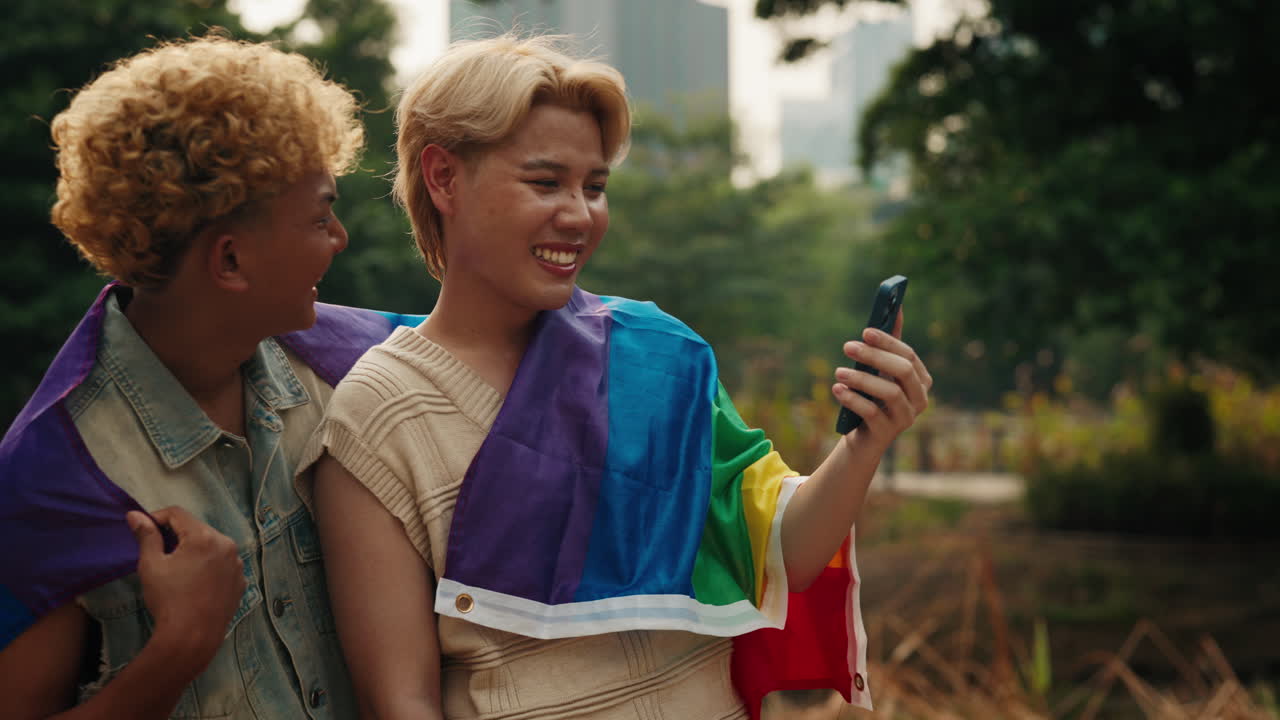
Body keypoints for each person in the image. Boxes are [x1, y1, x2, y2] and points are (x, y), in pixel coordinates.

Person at [303, 33, 932, 720]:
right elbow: (402, 701)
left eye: (594, 186)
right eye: (545, 182)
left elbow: (786, 551)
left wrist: (866, 440)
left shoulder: (657, 358)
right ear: (443, 178)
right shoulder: (377, 408)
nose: (578, 214)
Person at [0, 34, 420, 719]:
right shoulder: (54, 475)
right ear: (229, 262)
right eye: (321, 215)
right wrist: (179, 648)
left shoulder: (350, 368)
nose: (340, 238)